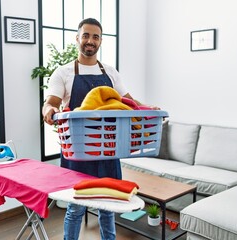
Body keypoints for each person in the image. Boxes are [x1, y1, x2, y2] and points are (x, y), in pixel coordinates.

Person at [42, 18, 153, 240]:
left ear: (101, 41)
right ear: (77, 38)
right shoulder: (63, 73)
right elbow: (51, 101)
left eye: (95, 37)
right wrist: (48, 109)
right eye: (86, 35)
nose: (90, 41)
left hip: (107, 148)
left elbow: (129, 102)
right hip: (78, 152)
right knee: (75, 208)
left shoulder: (110, 72)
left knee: (109, 205)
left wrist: (149, 110)